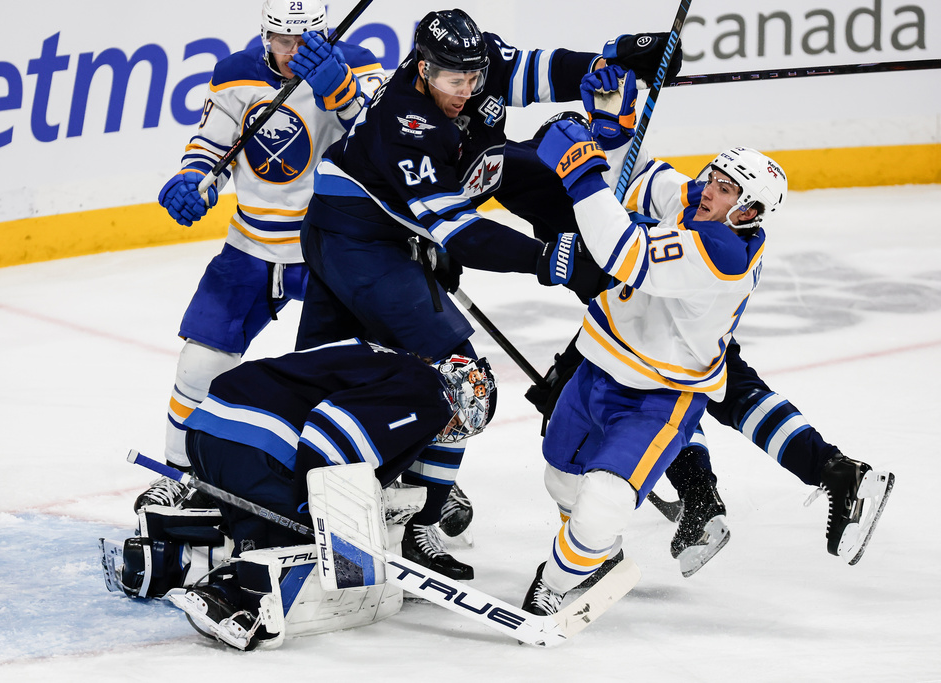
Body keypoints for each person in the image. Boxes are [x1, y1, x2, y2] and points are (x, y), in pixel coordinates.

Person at [293, 8, 681, 579]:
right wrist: (545, 258)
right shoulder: (408, 124)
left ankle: (371, 483)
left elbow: (539, 72)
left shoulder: (471, 66)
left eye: (474, 77)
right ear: (422, 69)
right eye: (454, 81)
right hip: (357, 239)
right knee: (460, 376)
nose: (467, 89)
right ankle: (414, 522)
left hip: (390, 226)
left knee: (334, 368)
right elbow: (459, 230)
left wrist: (611, 60)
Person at [517, 62, 788, 616]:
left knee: (604, 500)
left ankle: (555, 581)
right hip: (595, 369)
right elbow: (633, 175)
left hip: (661, 395)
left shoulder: (724, 254)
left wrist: (580, 171)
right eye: (714, 175)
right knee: (561, 481)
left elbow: (622, 251)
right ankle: (598, 556)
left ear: (750, 211)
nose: (710, 188)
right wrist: (609, 130)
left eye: (728, 188)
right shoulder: (693, 199)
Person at [135, 0, 385, 511]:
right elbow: (212, 145)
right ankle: (179, 472)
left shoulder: (360, 66)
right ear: (265, 34)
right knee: (199, 363)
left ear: (324, 33)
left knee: (355, 372)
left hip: (331, 251)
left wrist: (342, 93)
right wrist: (192, 179)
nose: (291, 54)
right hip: (251, 247)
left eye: (303, 42)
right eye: (281, 42)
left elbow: (378, 151)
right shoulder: (235, 74)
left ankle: (384, 476)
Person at [169, 338, 497, 650]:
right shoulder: (430, 395)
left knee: (256, 528)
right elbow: (332, 430)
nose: (451, 430)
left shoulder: (393, 361)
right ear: (461, 398)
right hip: (256, 443)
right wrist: (316, 510)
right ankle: (229, 596)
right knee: (310, 540)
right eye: (464, 421)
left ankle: (202, 572)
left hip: (208, 428)